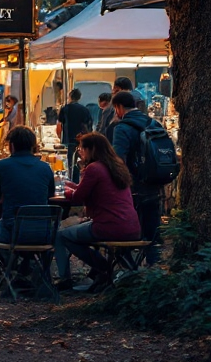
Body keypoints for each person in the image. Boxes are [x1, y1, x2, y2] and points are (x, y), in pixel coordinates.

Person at [55, 132, 141, 292]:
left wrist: (64, 190)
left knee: (61, 235)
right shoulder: (116, 165)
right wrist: (72, 186)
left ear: (90, 150)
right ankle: (101, 271)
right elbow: (91, 190)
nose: (80, 152)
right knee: (79, 231)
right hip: (131, 226)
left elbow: (77, 198)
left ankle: (81, 273)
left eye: (82, 148)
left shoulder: (94, 169)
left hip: (108, 226)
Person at [0, 126, 55, 268]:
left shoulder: (3, 165)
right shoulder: (45, 167)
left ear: (12, 145)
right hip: (43, 232)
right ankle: (24, 267)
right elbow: (50, 197)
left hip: (12, 232)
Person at [110, 91, 163, 265]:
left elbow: (119, 159)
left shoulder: (122, 128)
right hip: (155, 182)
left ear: (118, 108)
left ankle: (127, 267)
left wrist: (120, 184)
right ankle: (154, 266)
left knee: (126, 227)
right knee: (152, 226)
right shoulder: (153, 123)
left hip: (134, 185)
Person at [57, 89, 92, 180]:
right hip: (82, 139)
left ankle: (72, 179)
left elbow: (59, 125)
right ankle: (80, 180)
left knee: (70, 162)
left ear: (70, 96)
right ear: (79, 97)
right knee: (82, 161)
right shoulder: (85, 110)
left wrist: (60, 138)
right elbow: (89, 125)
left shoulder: (65, 109)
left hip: (69, 139)